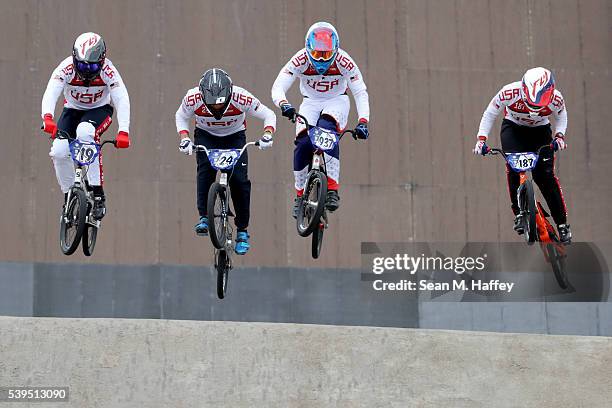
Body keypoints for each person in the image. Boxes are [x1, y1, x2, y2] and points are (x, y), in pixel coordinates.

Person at [271, 21, 370, 218]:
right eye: (317, 54)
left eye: (326, 54)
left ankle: (332, 189)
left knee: (326, 132)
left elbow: (360, 92)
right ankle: (300, 196)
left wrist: (363, 121)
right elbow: (278, 86)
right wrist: (284, 104)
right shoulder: (300, 59)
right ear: (308, 49)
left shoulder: (344, 60)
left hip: (337, 101)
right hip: (310, 102)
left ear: (336, 49)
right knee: (303, 143)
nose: (321, 60)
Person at [175, 68, 276, 255]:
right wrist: (184, 138)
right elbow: (181, 116)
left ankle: (243, 231)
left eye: (220, 105)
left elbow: (269, 114)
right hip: (206, 136)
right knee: (205, 172)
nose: (216, 109)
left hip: (235, 137)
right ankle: (204, 217)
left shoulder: (241, 97)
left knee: (239, 181)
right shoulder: (192, 98)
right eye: (212, 105)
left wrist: (268, 134)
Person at [473, 67, 571, 243]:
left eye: (538, 107)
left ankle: (562, 225)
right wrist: (481, 139)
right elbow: (490, 113)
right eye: (531, 105)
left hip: (540, 132)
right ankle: (519, 213)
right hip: (514, 130)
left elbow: (561, 115)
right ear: (524, 92)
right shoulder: (509, 92)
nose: (534, 110)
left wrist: (559, 136)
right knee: (513, 169)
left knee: (546, 177)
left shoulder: (556, 98)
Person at [41, 32, 131, 220]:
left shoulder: (109, 70)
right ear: (74, 59)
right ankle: (69, 196)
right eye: (81, 65)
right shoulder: (65, 68)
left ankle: (98, 194)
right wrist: (47, 118)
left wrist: (124, 130)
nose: (86, 71)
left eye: (92, 66)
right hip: (72, 110)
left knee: (85, 132)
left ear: (102, 60)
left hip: (100, 110)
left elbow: (121, 98)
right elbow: (51, 91)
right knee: (58, 151)